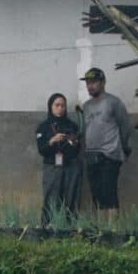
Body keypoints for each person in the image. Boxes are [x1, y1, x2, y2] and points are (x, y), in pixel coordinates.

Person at [79, 67, 133, 224]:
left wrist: (122, 147)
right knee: (97, 194)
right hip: (91, 154)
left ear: (103, 82)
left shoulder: (114, 102)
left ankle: (113, 230)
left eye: (94, 82)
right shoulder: (87, 105)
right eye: (88, 83)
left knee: (109, 192)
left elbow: (125, 126)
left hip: (110, 154)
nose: (90, 86)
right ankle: (101, 230)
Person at [34, 91, 83, 224]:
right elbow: (41, 150)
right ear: (51, 106)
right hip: (52, 166)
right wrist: (52, 141)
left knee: (71, 197)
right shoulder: (43, 127)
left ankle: (69, 229)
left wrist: (72, 142)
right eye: (57, 105)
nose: (60, 108)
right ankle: (47, 228)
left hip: (71, 167)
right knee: (51, 197)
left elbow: (77, 149)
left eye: (63, 105)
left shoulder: (72, 125)